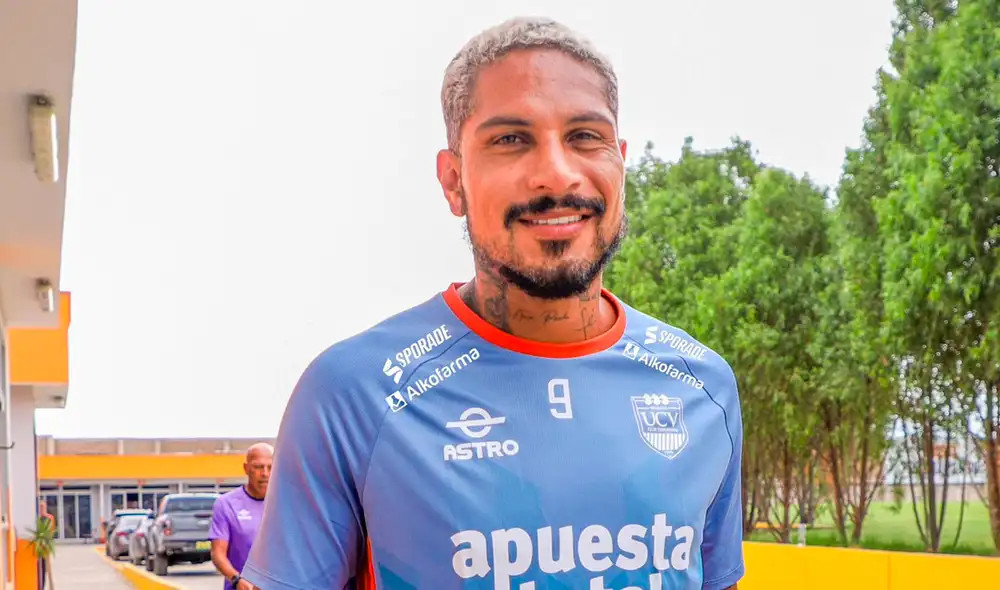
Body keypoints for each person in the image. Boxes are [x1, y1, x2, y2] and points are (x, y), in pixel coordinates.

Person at [242, 16, 744, 590]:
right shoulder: (353, 393)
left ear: (620, 163)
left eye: (585, 136)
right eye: (511, 139)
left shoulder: (703, 385)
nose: (557, 173)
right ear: (453, 181)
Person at [209, 443, 273, 590]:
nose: (265, 473)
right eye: (258, 467)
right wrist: (236, 579)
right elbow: (218, 554)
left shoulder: (286, 504)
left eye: (270, 467)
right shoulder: (226, 504)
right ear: (246, 468)